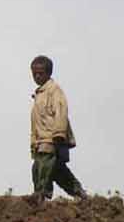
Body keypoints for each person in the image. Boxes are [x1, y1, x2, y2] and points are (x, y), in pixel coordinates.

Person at [29, 55, 86, 201]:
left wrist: (59, 133)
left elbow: (61, 111)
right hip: (41, 140)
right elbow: (36, 123)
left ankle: (41, 194)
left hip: (51, 138)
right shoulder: (39, 95)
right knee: (56, 170)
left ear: (48, 73)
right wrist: (34, 141)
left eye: (40, 73)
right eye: (34, 73)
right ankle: (78, 192)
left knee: (43, 166)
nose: (37, 76)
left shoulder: (54, 91)